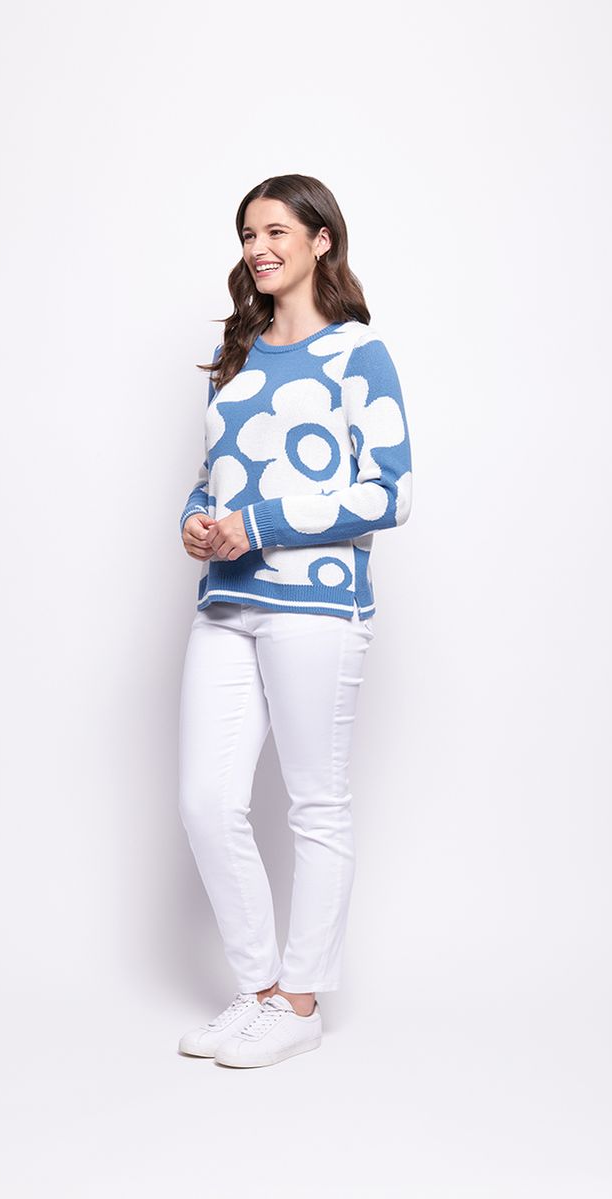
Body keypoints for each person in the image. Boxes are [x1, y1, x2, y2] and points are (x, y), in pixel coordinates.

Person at [176, 174, 413, 1068]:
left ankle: (300, 1002)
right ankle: (258, 989)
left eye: (277, 230)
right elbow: (217, 475)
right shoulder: (235, 355)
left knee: (316, 803)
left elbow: (390, 491)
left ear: (322, 241)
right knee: (206, 799)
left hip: (316, 605)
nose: (259, 247)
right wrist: (197, 518)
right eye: (248, 233)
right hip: (226, 599)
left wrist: (260, 524)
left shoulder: (360, 353)